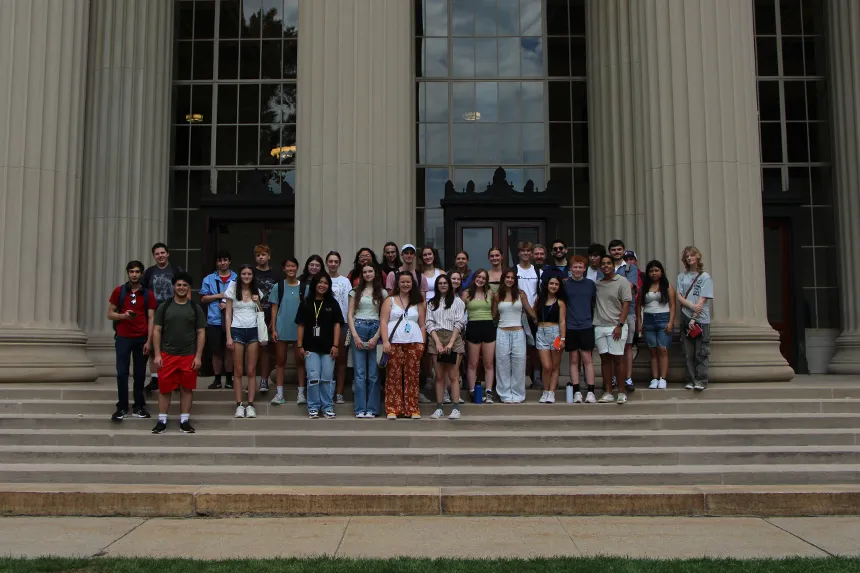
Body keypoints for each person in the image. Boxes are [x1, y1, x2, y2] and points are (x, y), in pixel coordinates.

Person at [151, 273, 206, 434]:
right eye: (178, 285)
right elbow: (157, 330)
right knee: (164, 389)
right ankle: (162, 420)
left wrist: (198, 356)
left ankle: (184, 420)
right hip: (167, 354)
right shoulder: (164, 307)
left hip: (188, 355)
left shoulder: (195, 308)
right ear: (173, 287)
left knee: (187, 389)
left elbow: (201, 332)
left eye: (185, 285)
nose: (181, 288)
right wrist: (157, 354)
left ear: (189, 288)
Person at [109, 260, 157, 421]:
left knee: (140, 373)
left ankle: (139, 406)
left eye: (137, 271)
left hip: (141, 338)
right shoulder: (119, 291)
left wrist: (149, 341)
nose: (134, 274)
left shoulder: (148, 294)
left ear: (142, 273)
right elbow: (110, 314)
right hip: (123, 337)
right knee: (122, 373)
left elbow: (151, 318)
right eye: (132, 272)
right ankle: (122, 407)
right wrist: (123, 316)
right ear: (128, 273)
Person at [296, 273, 344, 418]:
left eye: (325, 283)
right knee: (313, 377)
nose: (322, 285)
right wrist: (299, 346)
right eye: (320, 282)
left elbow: (337, 325)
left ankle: (328, 406)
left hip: (328, 347)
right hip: (310, 347)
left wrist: (336, 345)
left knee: (327, 378)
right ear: (314, 284)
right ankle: (313, 407)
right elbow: (301, 325)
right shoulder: (305, 302)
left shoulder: (332, 303)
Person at [380, 271, 426, 419]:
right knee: (393, 376)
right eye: (403, 282)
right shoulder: (390, 300)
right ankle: (393, 408)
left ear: (412, 284)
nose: (406, 284)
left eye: (408, 282)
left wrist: (422, 343)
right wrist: (385, 341)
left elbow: (422, 324)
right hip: (395, 342)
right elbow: (383, 322)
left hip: (414, 341)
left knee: (412, 376)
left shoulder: (418, 301)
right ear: (398, 284)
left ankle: (412, 409)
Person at [142, 242, 183, 393]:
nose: (160, 256)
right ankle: (155, 378)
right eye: (157, 254)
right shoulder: (149, 272)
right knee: (154, 347)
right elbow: (143, 292)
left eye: (162, 253)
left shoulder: (176, 269)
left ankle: (176, 379)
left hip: (174, 313)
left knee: (175, 346)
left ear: (167, 254)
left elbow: (184, 288)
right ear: (154, 256)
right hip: (154, 314)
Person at [348, 264, 387, 418]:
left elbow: (385, 318)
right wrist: (355, 335)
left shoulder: (382, 293)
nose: (367, 274)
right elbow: (350, 315)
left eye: (370, 271)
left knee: (373, 373)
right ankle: (359, 409)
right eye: (364, 272)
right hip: (358, 326)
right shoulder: (354, 292)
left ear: (375, 273)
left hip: (376, 328)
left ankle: (372, 409)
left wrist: (377, 337)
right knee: (359, 373)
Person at [225, 264, 264, 419]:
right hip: (237, 330)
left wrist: (258, 301)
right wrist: (228, 336)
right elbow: (228, 314)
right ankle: (239, 405)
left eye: (249, 273)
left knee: (251, 370)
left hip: (253, 330)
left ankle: (251, 405)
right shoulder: (233, 289)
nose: (246, 276)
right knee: (238, 371)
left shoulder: (256, 290)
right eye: (244, 274)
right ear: (239, 275)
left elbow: (261, 313)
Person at [426, 275, 467, 419]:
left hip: (453, 338)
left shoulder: (457, 302)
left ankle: (455, 408)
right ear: (437, 286)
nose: (443, 285)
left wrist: (450, 343)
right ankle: (439, 407)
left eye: (445, 283)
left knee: (453, 375)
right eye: (440, 283)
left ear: (450, 285)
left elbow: (459, 323)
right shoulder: (432, 303)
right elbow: (429, 323)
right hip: (436, 337)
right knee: (439, 376)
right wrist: (437, 342)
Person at [494, 269, 537, 404]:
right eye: (507, 277)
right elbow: (493, 315)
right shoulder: (497, 295)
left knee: (519, 362)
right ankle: (505, 394)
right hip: (502, 331)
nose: (510, 280)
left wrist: (538, 312)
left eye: (512, 278)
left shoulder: (520, 294)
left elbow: (530, 311)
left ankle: (518, 394)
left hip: (518, 332)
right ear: (503, 279)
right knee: (502, 363)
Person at [594, 255, 633, 404]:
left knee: (618, 359)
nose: (605, 266)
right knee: (604, 360)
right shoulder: (597, 284)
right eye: (603, 264)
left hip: (616, 326)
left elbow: (626, 304)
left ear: (613, 265)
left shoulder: (622, 281)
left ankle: (621, 392)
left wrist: (620, 325)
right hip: (599, 326)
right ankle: (608, 392)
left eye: (608, 263)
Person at [677, 246, 713, 391]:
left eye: (692, 255)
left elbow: (702, 299)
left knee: (701, 351)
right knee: (688, 351)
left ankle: (701, 380)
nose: (690, 258)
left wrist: (694, 317)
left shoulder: (705, 277)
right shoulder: (682, 276)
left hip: (700, 318)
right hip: (686, 315)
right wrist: (690, 307)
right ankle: (690, 379)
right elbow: (679, 295)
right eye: (687, 256)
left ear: (698, 257)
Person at [200, 251, 236, 390]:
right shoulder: (209, 279)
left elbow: (241, 297)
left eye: (225, 260)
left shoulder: (237, 278)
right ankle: (217, 379)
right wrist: (219, 296)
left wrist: (228, 304)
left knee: (229, 350)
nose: (223, 263)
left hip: (232, 319)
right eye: (220, 260)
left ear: (229, 261)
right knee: (216, 351)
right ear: (217, 262)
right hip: (214, 319)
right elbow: (203, 298)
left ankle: (229, 378)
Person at [564, 255, 598, 404]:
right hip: (570, 325)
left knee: (587, 359)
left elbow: (594, 303)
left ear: (585, 268)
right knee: (573, 359)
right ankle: (576, 390)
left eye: (580, 267)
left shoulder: (590, 284)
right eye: (575, 267)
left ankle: (591, 391)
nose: (577, 269)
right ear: (570, 268)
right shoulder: (565, 284)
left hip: (586, 325)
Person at [270, 257, 303, 405]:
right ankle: (279, 393)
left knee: (300, 362)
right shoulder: (278, 287)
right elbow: (274, 308)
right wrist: (274, 328)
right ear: (284, 269)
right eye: (288, 266)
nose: (291, 269)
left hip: (298, 329)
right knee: (281, 361)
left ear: (297, 268)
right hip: (282, 328)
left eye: (293, 266)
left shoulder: (304, 288)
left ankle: (301, 393)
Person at [608, 239, 639, 393]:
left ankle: (627, 377)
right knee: (613, 347)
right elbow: (603, 287)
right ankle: (614, 377)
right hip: (610, 314)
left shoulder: (631, 268)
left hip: (629, 312)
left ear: (623, 251)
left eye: (619, 249)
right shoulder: (605, 267)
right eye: (613, 250)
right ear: (610, 252)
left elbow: (630, 286)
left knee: (627, 347)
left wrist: (614, 288)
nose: (616, 252)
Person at [639, 260, 676, 389]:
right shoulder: (644, 287)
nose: (653, 273)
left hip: (663, 318)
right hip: (648, 319)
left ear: (661, 272)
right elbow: (639, 306)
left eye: (656, 270)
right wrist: (640, 323)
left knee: (662, 349)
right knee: (653, 350)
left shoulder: (667, 286)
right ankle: (654, 378)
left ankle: (663, 378)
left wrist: (671, 322)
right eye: (651, 271)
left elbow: (672, 305)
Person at [462, 269, 496, 404]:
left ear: (486, 280)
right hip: (472, 327)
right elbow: (460, 312)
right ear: (474, 278)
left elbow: (494, 311)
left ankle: (488, 392)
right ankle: (472, 390)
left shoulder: (491, 293)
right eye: (478, 277)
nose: (480, 280)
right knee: (473, 363)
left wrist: (489, 320)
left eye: (483, 278)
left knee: (488, 363)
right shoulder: (466, 294)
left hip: (488, 327)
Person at [325, 251, 352, 404]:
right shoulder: (322, 279)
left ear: (339, 263)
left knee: (341, 359)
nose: (333, 264)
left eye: (336, 261)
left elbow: (349, 304)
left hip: (342, 324)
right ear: (326, 263)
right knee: (326, 359)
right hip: (325, 324)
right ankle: (327, 392)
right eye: (330, 261)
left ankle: (339, 393)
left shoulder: (345, 281)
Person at [534, 275, 566, 404]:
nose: (553, 286)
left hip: (555, 333)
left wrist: (562, 338)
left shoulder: (560, 302)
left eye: (556, 284)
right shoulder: (539, 300)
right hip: (541, 332)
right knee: (546, 366)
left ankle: (551, 392)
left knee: (554, 365)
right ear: (547, 285)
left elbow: (562, 321)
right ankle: (545, 391)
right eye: (551, 283)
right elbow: (534, 315)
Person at [253, 245, 280, 395]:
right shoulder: (251, 273)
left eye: (263, 255)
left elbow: (278, 299)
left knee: (266, 350)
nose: (261, 257)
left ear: (269, 256)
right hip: (252, 316)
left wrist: (273, 322)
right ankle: (251, 379)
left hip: (270, 316)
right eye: (258, 255)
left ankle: (264, 379)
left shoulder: (276, 275)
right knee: (252, 349)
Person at [515, 241, 541, 390]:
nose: (525, 253)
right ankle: (520, 380)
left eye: (528, 251)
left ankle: (536, 377)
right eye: (522, 250)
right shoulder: (514, 270)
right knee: (519, 349)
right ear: (519, 253)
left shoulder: (537, 272)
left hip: (534, 314)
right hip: (518, 314)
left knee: (535, 348)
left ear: (531, 254)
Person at [420, 246, 445, 394]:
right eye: (425, 254)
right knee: (425, 346)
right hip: (424, 311)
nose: (428, 257)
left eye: (430, 254)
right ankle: (428, 375)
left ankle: (439, 376)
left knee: (439, 343)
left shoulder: (440, 273)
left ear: (434, 256)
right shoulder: (419, 274)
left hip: (440, 312)